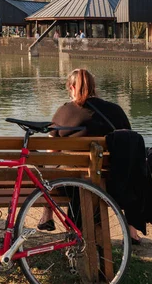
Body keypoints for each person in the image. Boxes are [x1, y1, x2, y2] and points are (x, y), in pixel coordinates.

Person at [38, 69, 137, 235]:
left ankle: (47, 212)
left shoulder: (64, 112)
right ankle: (131, 229)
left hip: (71, 185)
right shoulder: (115, 110)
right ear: (94, 86)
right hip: (111, 181)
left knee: (46, 165)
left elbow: (51, 150)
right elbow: (128, 144)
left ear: (70, 87)